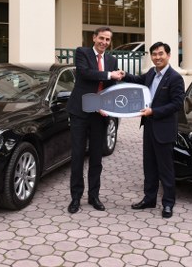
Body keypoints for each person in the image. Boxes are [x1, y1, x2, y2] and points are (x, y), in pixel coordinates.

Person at [122, 42, 185, 218]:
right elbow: (138, 80)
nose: (157, 57)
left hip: (164, 130)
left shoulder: (175, 78)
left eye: (160, 54)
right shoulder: (151, 73)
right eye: (154, 54)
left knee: (165, 169)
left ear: (168, 55)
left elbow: (177, 104)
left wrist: (154, 111)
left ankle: (168, 203)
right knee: (149, 166)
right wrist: (124, 75)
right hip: (149, 127)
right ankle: (149, 199)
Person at [66, 26, 124, 214]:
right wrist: (109, 74)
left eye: (107, 40)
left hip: (100, 114)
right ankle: (75, 197)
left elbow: (110, 87)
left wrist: (111, 101)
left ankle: (94, 196)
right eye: (101, 38)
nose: (104, 42)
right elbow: (85, 73)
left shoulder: (112, 60)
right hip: (81, 111)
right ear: (94, 38)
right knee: (77, 155)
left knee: (97, 157)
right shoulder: (82, 53)